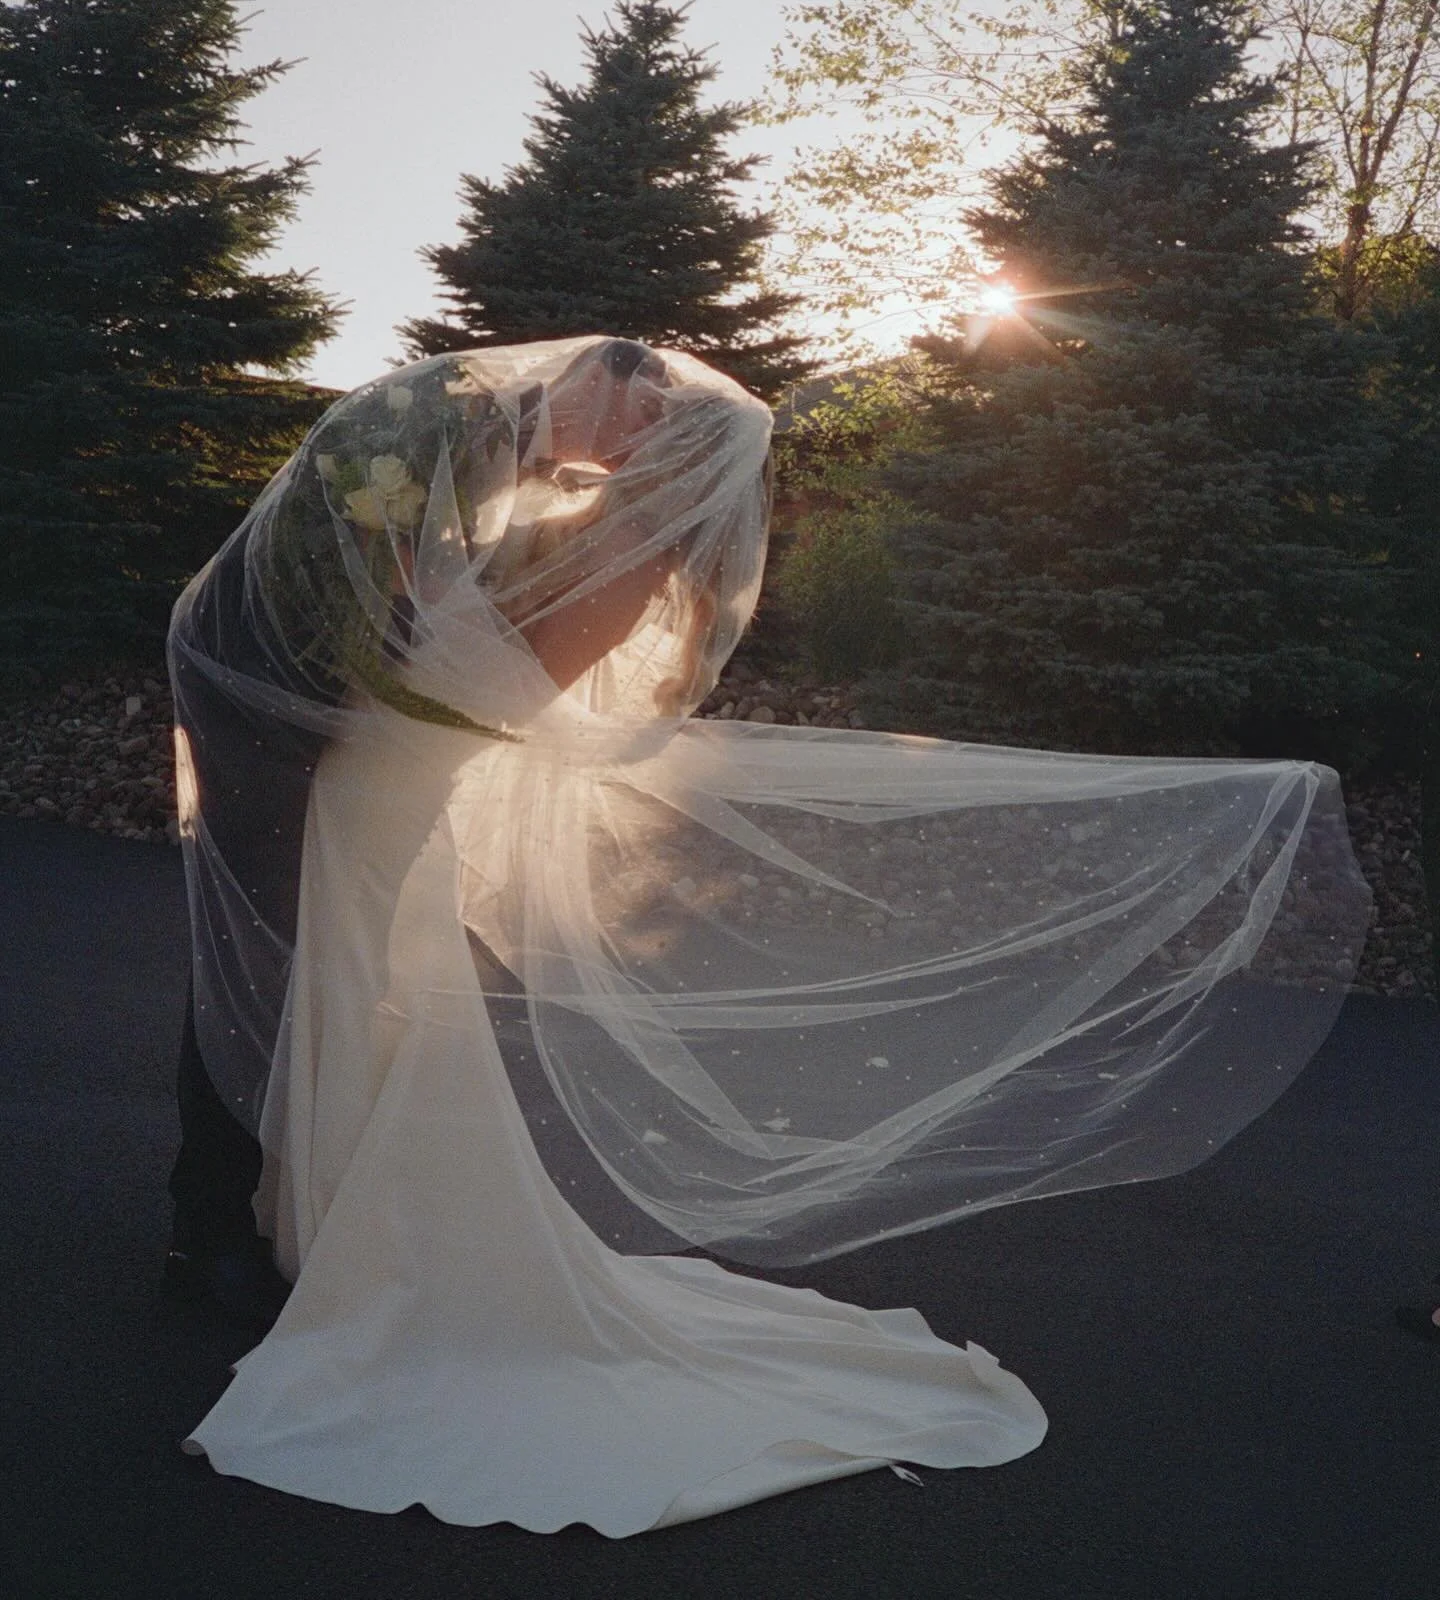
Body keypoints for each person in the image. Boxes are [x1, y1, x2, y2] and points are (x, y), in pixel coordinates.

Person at [168, 336, 1371, 1533]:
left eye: (642, 438)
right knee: (318, 972)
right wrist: (416, 616)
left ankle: (293, 1230)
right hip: (343, 743)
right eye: (626, 416)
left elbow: (496, 684)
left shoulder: (630, 555)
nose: (615, 442)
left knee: (329, 974)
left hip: (384, 766)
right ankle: (279, 1218)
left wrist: (415, 637)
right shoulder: (489, 460)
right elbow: (419, 605)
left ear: (670, 453)